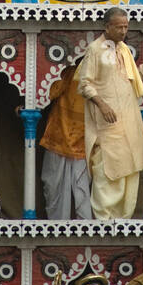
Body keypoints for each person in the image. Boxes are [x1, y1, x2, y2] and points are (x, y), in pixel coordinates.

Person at [77, 7, 143, 219]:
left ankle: (123, 222)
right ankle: (103, 224)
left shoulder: (124, 49)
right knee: (107, 170)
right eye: (119, 27)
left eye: (126, 27)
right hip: (107, 124)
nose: (123, 31)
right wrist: (102, 104)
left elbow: (132, 77)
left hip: (128, 120)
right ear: (107, 26)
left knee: (130, 171)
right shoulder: (95, 50)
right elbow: (83, 84)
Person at [40, 62, 91, 220]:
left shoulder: (96, 74)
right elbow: (46, 93)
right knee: (55, 186)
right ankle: (59, 232)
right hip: (59, 137)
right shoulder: (67, 71)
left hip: (80, 140)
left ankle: (84, 234)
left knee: (80, 190)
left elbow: (48, 92)